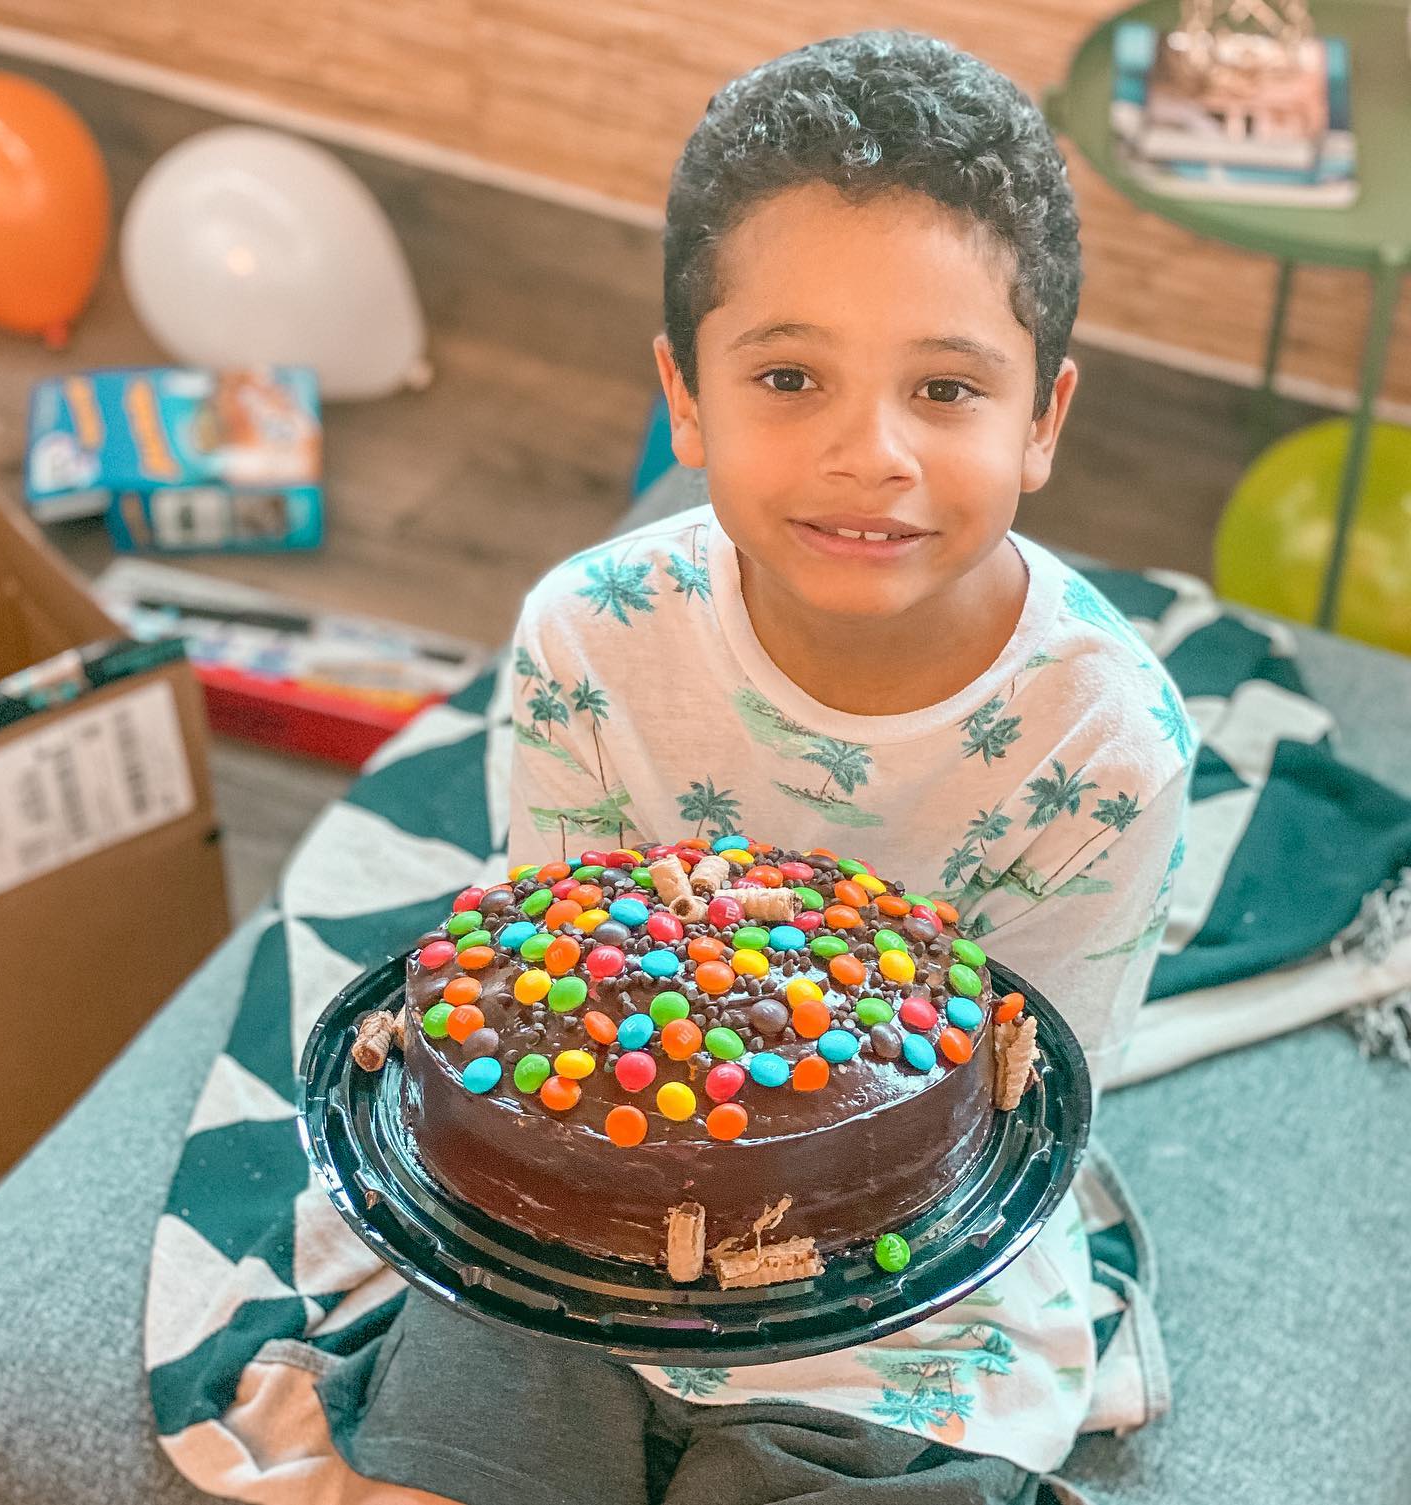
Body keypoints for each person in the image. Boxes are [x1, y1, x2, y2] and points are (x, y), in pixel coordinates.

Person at [357, 29, 1193, 1503]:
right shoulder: (588, 640)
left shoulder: (1102, 743)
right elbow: (546, 1015)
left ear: (1044, 420)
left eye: (947, 390)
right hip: (588, 1237)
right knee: (446, 1450)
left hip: (913, 1275)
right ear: (686, 399)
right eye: (792, 375)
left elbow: (1021, 1106)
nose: (871, 453)